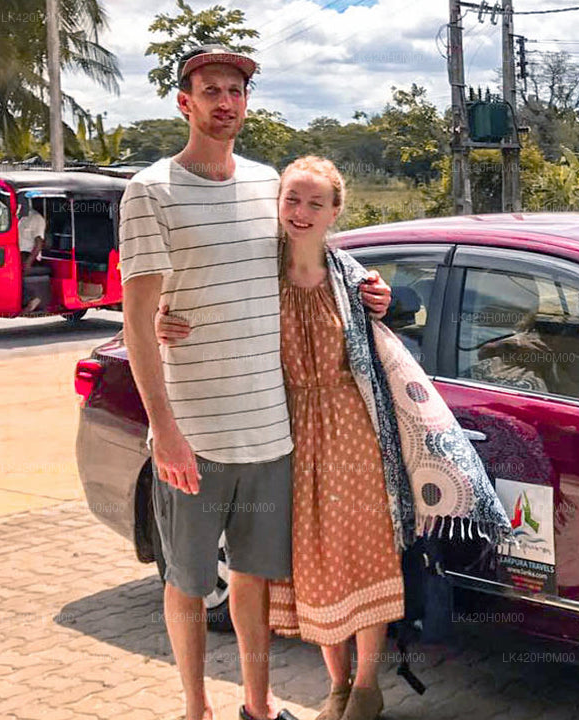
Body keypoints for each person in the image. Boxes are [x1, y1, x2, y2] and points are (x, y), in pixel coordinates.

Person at [117, 45, 391, 720]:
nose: (224, 102)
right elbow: (137, 315)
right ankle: (195, 709)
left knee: (254, 579)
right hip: (195, 434)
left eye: (235, 91)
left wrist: (368, 288)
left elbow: (309, 251)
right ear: (185, 103)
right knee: (185, 582)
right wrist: (169, 431)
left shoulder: (266, 183)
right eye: (210, 90)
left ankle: (259, 708)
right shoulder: (150, 190)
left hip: (271, 431)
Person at [156, 156, 407, 720]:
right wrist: (159, 321)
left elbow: (390, 331)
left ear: (335, 211)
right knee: (310, 562)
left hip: (351, 431)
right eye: (292, 199)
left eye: (315, 203)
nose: (300, 212)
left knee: (363, 553)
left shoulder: (355, 279)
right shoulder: (255, 273)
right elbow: (197, 305)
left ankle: (367, 684)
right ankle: (337, 683)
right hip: (280, 429)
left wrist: (391, 301)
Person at [17, 199, 47, 312]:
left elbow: (39, 243)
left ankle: (32, 298)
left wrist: (29, 262)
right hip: (17, 252)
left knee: (16, 269)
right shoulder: (18, 216)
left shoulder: (36, 218)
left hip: (29, 254)